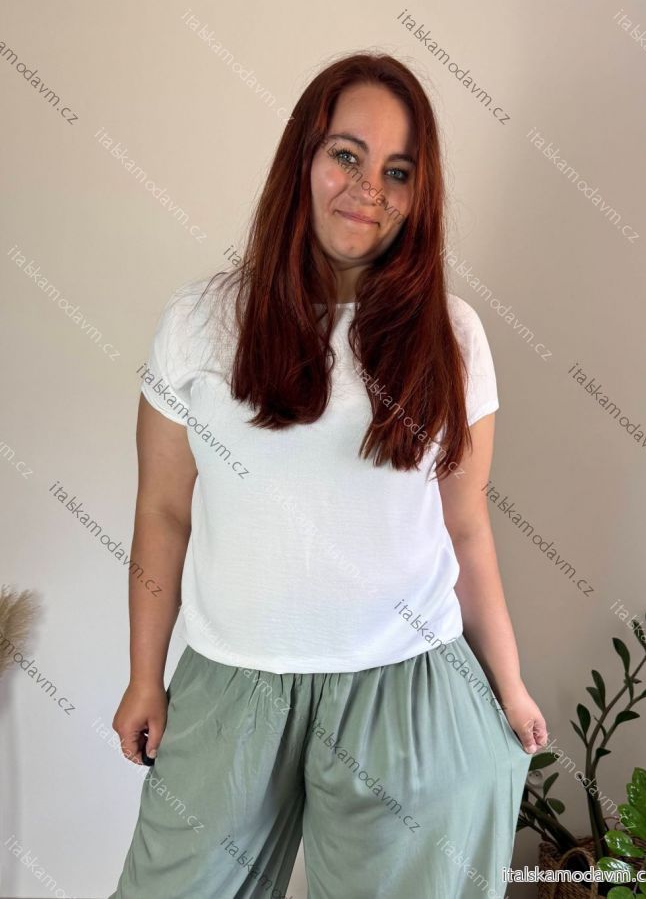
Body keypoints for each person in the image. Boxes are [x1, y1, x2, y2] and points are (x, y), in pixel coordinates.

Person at [108, 51, 547, 899]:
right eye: (347, 155)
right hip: (231, 683)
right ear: (302, 158)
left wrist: (509, 683)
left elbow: (464, 526)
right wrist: (143, 677)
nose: (368, 188)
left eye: (397, 171)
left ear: (419, 193)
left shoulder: (450, 335)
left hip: (407, 692)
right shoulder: (199, 322)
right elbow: (162, 510)